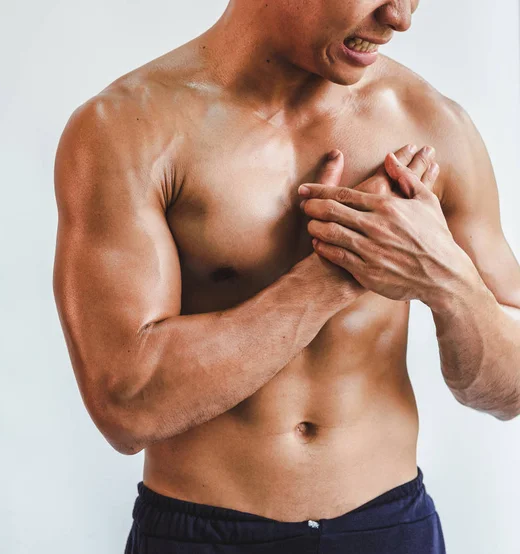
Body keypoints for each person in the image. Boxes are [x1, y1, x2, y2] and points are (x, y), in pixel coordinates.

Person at [52, 1, 520, 552]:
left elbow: (508, 391)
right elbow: (127, 407)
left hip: (388, 527)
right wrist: (335, 273)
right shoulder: (129, 129)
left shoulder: (432, 125)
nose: (399, 18)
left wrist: (446, 278)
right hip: (202, 534)